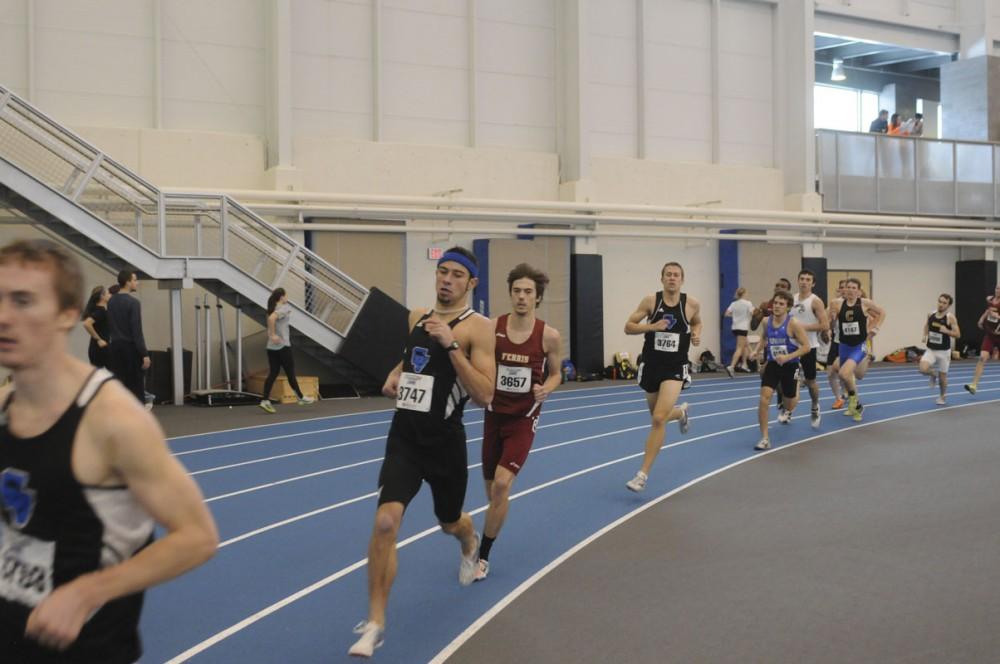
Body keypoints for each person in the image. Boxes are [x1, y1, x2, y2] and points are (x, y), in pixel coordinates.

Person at [0, 239, 218, 663]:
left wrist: (86, 592)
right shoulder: (4, 406)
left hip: (86, 650)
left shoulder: (113, 420)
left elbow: (198, 537)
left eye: (23, 301)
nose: (4, 317)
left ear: (68, 315)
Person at [349, 247, 495, 658]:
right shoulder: (416, 317)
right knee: (384, 522)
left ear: (471, 283)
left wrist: (452, 346)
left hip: (444, 444)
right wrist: (395, 376)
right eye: (441, 272)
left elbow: (485, 394)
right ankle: (375, 621)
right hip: (405, 439)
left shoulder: (477, 329)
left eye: (456, 275)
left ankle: (469, 542)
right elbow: (411, 359)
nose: (446, 280)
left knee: (449, 521)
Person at [475, 264, 562, 582]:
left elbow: (556, 374)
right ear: (510, 294)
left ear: (537, 297)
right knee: (492, 495)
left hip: (524, 420)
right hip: (493, 416)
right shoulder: (492, 328)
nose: (522, 297)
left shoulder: (548, 336)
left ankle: (482, 556)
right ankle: (491, 524)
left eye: (528, 292)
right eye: (516, 291)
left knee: (501, 484)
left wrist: (546, 388)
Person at [623, 261, 699, 492]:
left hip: (675, 367)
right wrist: (651, 327)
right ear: (662, 278)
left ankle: (642, 475)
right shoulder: (651, 301)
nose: (672, 278)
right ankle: (681, 412)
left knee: (657, 419)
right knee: (659, 416)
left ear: (682, 279)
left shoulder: (692, 304)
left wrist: (696, 334)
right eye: (668, 274)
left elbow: (697, 322)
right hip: (652, 365)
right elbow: (628, 326)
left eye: (676, 275)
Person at [753, 290, 811, 451]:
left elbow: (806, 347)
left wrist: (788, 357)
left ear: (788, 307)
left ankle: (796, 387)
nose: (777, 306)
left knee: (790, 402)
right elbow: (764, 337)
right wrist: (756, 350)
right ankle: (764, 437)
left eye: (781, 304)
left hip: (790, 365)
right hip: (773, 364)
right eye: (775, 303)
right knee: (764, 398)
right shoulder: (766, 321)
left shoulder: (794, 324)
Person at [830, 278, 886, 422]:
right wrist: (830, 323)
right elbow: (829, 321)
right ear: (844, 290)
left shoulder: (865, 303)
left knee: (844, 373)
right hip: (843, 345)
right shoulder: (836, 303)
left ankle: (855, 403)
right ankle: (855, 404)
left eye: (854, 288)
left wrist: (874, 328)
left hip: (858, 345)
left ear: (859, 291)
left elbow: (882, 312)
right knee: (845, 375)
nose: (850, 290)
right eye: (848, 287)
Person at [259, 287, 314, 413]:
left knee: (273, 373)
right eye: (286, 295)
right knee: (290, 373)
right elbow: (271, 319)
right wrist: (273, 335)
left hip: (271, 347)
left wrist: (272, 337)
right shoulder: (284, 308)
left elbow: (271, 318)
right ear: (282, 297)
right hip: (283, 346)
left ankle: (265, 401)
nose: (287, 298)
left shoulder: (271, 309)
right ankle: (300, 397)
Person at [790, 269, 830, 429]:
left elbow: (825, 325)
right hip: (792, 346)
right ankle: (787, 409)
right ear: (798, 281)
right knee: (788, 380)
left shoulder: (815, 301)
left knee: (811, 381)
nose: (804, 282)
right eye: (802, 279)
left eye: (808, 279)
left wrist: (801, 327)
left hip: (809, 346)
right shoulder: (791, 299)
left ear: (812, 283)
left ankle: (815, 406)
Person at [106, 269, 149, 406]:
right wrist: (144, 354)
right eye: (135, 280)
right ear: (128, 282)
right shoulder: (133, 303)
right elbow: (136, 331)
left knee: (119, 385)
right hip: (130, 349)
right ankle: (138, 418)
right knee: (136, 386)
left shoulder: (111, 301)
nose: (137, 283)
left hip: (115, 347)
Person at [919, 294, 960, 405]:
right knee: (922, 369)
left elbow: (958, 334)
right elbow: (926, 326)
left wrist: (947, 331)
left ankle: (942, 397)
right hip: (931, 349)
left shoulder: (950, 317)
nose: (941, 304)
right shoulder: (930, 314)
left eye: (944, 303)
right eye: (940, 301)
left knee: (943, 378)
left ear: (949, 305)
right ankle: (932, 374)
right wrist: (924, 335)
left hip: (944, 352)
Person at [964, 285, 1000, 395]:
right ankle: (974, 385)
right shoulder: (990, 299)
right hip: (990, 334)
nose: (997, 290)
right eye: (997, 288)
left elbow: (995, 314)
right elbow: (988, 310)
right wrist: (982, 318)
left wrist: (998, 317)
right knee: (982, 358)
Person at [724, 287, 754, 377]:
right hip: (743, 328)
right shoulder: (748, 303)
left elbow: (726, 314)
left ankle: (745, 364)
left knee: (745, 344)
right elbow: (753, 313)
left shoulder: (733, 303)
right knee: (740, 347)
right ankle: (732, 366)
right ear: (744, 293)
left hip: (735, 327)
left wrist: (735, 316)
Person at [826, 279, 847, 409]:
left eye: (847, 287)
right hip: (836, 342)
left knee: (844, 373)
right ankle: (839, 398)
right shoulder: (833, 304)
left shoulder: (858, 304)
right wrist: (829, 327)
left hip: (850, 345)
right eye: (841, 288)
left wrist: (872, 330)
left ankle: (849, 393)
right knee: (830, 373)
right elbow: (827, 322)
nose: (844, 290)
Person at [81, 285, 111, 368]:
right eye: (108, 293)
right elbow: (87, 324)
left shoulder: (99, 310)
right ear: (102, 296)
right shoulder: (100, 311)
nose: (110, 295)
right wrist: (99, 339)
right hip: (99, 349)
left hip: (99, 348)